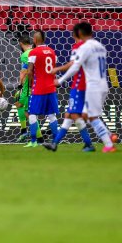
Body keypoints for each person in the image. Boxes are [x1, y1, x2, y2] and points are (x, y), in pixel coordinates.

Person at [55, 22, 116, 153]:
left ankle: (109, 145)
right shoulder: (100, 46)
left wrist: (60, 80)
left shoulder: (85, 47)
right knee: (85, 114)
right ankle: (110, 135)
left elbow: (75, 66)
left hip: (93, 85)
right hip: (104, 84)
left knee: (92, 117)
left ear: (80, 33)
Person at [43, 23, 95, 152]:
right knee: (69, 114)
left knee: (74, 114)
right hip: (85, 83)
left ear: (76, 34)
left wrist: (58, 72)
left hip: (79, 84)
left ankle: (89, 144)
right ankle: (55, 143)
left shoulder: (78, 46)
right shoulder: (91, 46)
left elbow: (73, 64)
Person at [25, 30, 59, 148]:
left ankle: (34, 141)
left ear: (35, 39)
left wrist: (30, 85)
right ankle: (56, 140)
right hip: (51, 87)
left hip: (39, 88)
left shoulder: (33, 52)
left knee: (32, 113)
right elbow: (54, 69)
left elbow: (29, 71)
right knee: (51, 114)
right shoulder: (52, 52)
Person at [14, 35, 44, 143]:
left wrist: (20, 86)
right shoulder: (36, 52)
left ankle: (39, 138)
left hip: (28, 87)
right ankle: (23, 131)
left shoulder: (25, 55)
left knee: (28, 113)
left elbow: (24, 72)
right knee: (18, 103)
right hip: (38, 84)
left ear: (21, 44)